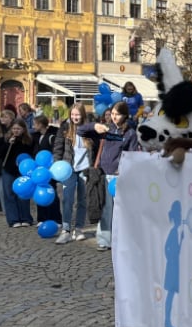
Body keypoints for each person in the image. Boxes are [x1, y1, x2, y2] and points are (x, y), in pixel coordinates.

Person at [79, 100, 139, 251]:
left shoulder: (130, 133)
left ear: (125, 115)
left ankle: (122, 240)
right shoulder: (106, 129)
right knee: (106, 208)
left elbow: (131, 154)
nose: (113, 117)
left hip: (119, 176)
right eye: (112, 114)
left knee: (121, 210)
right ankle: (104, 240)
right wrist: (94, 126)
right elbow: (80, 131)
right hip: (103, 174)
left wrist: (124, 168)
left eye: (117, 114)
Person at [52, 103, 91, 244]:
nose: (75, 117)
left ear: (83, 115)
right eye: (73, 114)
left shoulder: (89, 128)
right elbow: (58, 147)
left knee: (82, 200)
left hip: (85, 168)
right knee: (67, 199)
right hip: (68, 168)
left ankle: (79, 228)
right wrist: (57, 164)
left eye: (78, 114)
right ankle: (66, 230)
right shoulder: (65, 127)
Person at [0, 118, 35, 227]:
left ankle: (25, 218)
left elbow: (32, 153)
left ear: (23, 129)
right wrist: (8, 144)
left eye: (18, 129)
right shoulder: (6, 139)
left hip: (23, 171)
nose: (16, 131)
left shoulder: (28, 140)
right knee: (9, 194)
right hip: (8, 169)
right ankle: (13, 220)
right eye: (14, 128)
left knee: (23, 194)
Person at [32, 114, 62, 227]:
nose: (33, 126)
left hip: (49, 171)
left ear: (41, 124)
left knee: (51, 193)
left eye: (35, 124)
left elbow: (54, 152)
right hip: (38, 171)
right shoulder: (37, 136)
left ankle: (56, 218)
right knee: (40, 192)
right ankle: (42, 218)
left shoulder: (51, 137)